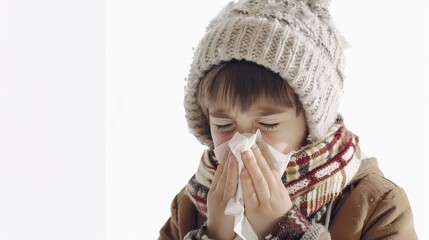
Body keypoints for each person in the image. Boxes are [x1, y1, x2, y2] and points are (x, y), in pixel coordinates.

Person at [159, 0, 417, 239]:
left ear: (312, 124)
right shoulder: (190, 205)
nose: (244, 145)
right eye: (224, 126)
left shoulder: (379, 205)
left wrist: (286, 231)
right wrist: (213, 235)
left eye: (269, 125)